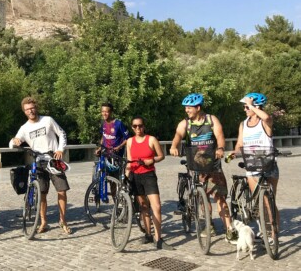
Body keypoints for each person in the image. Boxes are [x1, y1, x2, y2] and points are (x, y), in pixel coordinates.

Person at [170, 93, 238, 243]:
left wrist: (220, 148)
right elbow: (177, 135)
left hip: (213, 166)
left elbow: (220, 136)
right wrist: (174, 146)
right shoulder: (185, 124)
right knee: (203, 198)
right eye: (185, 107)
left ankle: (229, 229)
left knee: (219, 197)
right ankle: (208, 225)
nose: (186, 110)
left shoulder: (211, 120)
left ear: (198, 108)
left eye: (189, 107)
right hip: (195, 167)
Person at [9, 96, 72, 235]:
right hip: (38, 162)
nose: (30, 111)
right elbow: (12, 142)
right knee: (42, 193)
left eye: (32, 108)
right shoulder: (24, 128)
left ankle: (63, 220)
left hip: (53, 160)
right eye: (27, 109)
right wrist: (16, 141)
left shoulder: (47, 120)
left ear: (36, 107)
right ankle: (44, 222)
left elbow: (61, 133)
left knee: (62, 191)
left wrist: (60, 149)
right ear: (24, 111)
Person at [232, 92, 280, 234]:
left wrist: (252, 106)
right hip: (252, 164)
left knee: (270, 201)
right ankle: (265, 229)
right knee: (261, 200)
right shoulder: (243, 124)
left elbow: (266, 116)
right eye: (245, 107)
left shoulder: (265, 122)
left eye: (246, 107)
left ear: (255, 106)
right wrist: (235, 152)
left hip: (269, 163)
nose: (245, 109)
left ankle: (273, 231)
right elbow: (240, 143)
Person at [126, 116, 173, 250]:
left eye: (140, 126)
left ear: (144, 126)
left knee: (156, 206)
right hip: (135, 176)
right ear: (132, 127)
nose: (138, 128)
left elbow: (161, 155)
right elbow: (129, 161)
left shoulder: (151, 139)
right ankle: (148, 234)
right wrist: (126, 176)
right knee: (143, 207)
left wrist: (151, 160)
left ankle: (159, 239)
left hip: (149, 175)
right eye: (135, 126)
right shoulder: (129, 141)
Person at [96, 102, 129, 177]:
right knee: (104, 176)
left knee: (114, 178)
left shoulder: (119, 124)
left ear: (111, 112)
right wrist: (100, 148)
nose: (104, 114)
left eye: (106, 112)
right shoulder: (103, 123)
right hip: (105, 154)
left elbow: (128, 138)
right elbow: (103, 136)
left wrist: (119, 147)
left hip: (116, 155)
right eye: (102, 111)